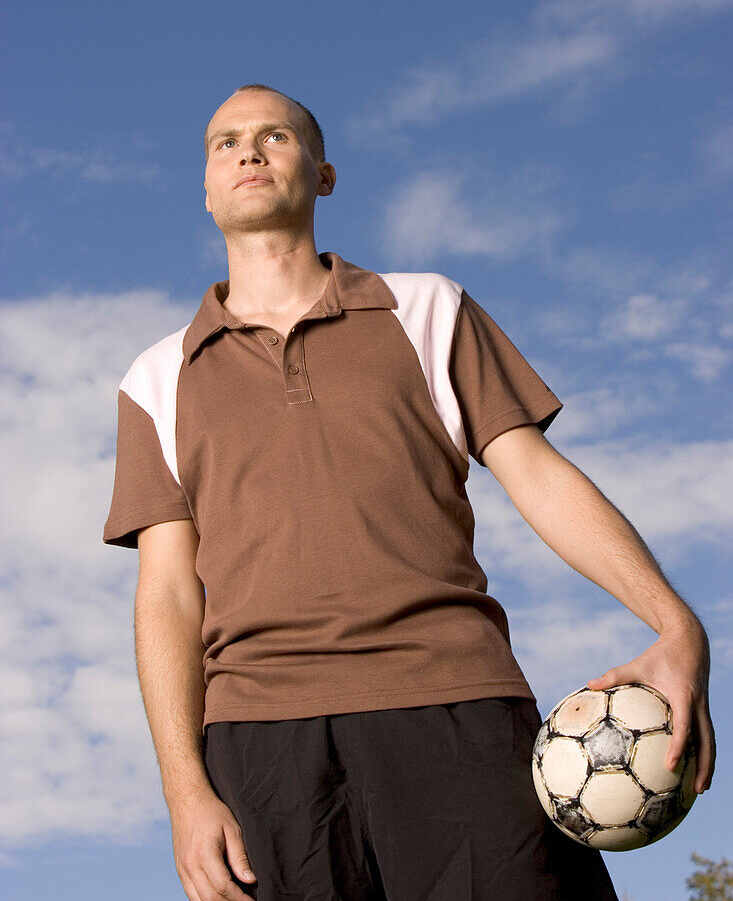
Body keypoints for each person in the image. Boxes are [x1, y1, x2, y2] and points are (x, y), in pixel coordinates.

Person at [103, 83, 715, 901]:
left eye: (275, 136)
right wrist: (184, 790)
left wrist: (675, 624)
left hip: (456, 706)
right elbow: (169, 594)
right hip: (260, 745)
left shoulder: (429, 309)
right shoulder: (155, 380)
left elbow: (538, 476)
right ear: (206, 188)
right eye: (225, 143)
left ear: (322, 174)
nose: (248, 151)